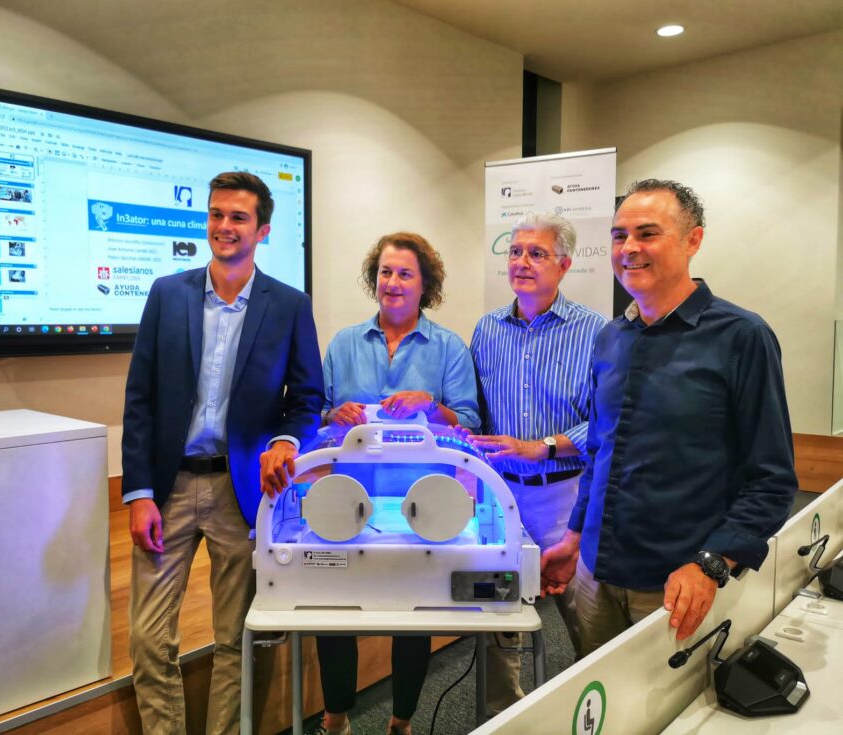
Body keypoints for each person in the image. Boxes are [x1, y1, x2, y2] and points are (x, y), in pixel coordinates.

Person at [540, 179, 797, 655]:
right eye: (619, 236)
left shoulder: (741, 337)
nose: (629, 248)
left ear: (692, 240)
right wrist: (574, 538)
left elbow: (772, 479)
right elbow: (599, 452)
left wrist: (711, 564)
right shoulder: (610, 339)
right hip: (595, 575)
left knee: (670, 702)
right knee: (596, 697)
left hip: (678, 587)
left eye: (647, 234)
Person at [122, 171, 325, 735]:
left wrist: (284, 441)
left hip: (243, 494)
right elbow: (139, 398)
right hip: (168, 489)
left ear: (262, 230)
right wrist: (138, 493)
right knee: (147, 637)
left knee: (236, 639)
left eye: (238, 217)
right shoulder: (168, 294)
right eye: (216, 214)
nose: (224, 226)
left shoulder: (289, 306)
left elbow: (307, 398)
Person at [314, 232, 480, 735]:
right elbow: (317, 415)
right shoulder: (344, 343)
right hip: (348, 502)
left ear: (425, 284)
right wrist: (333, 414)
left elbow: (469, 423)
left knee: (414, 616)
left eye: (405, 273)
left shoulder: (449, 348)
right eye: (385, 272)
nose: (393, 282)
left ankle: (401, 722)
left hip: (422, 505)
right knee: (334, 614)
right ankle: (335, 717)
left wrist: (431, 404)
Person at [467, 213, 606, 712]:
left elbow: (607, 420)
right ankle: (503, 714)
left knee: (589, 620)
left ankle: (605, 708)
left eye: (537, 253)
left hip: (565, 497)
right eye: (515, 252)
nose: (522, 262)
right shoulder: (486, 329)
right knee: (497, 616)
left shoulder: (596, 331)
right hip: (500, 496)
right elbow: (474, 411)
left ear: (564, 265)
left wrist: (543, 446)